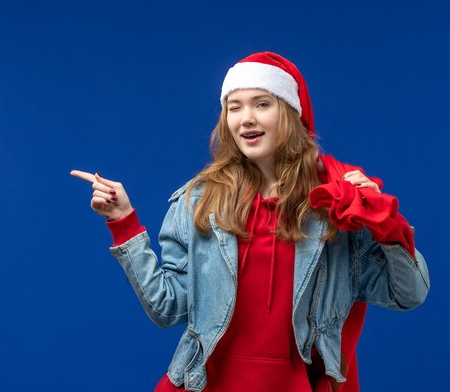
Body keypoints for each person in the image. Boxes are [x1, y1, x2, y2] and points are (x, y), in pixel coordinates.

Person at [71, 51, 430, 392]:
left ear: (290, 112)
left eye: (262, 104)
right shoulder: (199, 201)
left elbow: (408, 294)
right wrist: (123, 223)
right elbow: (169, 308)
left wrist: (384, 219)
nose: (246, 119)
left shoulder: (335, 205)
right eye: (234, 107)